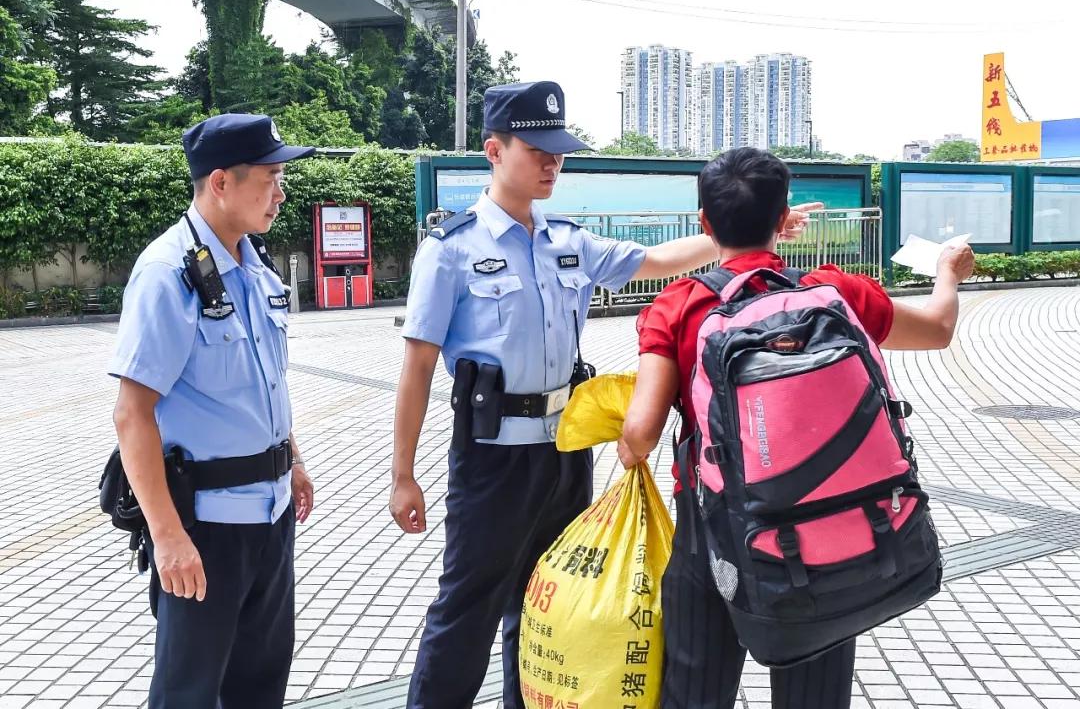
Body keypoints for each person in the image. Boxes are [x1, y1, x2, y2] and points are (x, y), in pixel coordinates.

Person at [390, 82, 822, 709]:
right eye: (536, 149)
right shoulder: (451, 250)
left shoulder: (568, 240)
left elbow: (653, 260)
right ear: (493, 149)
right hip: (491, 460)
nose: (551, 163)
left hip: (566, 454)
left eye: (557, 152)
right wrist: (402, 474)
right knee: (467, 609)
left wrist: (745, 239)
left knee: (547, 601)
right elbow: (417, 367)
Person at [618, 147, 975, 708]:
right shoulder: (836, 292)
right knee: (814, 690)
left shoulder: (679, 305)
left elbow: (639, 434)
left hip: (713, 529)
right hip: (829, 525)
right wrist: (947, 273)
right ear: (784, 220)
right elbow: (937, 328)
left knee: (695, 688)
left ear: (705, 223)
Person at [108, 113, 317, 708]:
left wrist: (292, 459)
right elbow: (132, 414)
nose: (281, 192)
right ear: (221, 182)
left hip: (270, 515)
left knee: (260, 681)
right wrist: (167, 535)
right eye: (271, 177)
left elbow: (263, 381)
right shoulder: (167, 273)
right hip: (206, 527)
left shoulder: (254, 265)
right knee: (191, 690)